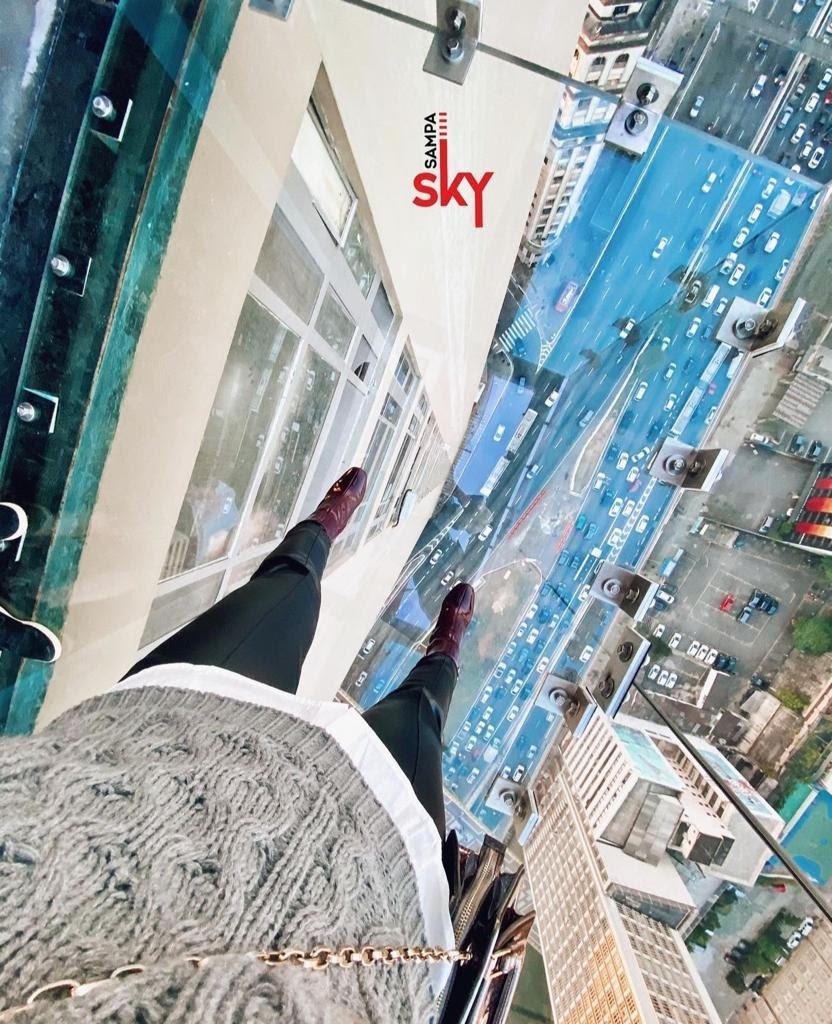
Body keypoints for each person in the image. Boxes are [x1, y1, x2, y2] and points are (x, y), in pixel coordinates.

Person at [0, 468, 474, 1023]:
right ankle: (444, 656)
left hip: (176, 756)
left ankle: (317, 533)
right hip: (382, 881)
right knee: (421, 715)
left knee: (284, 595)